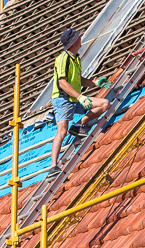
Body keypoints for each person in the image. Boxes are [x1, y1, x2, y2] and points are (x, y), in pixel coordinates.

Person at [47, 27, 111, 177]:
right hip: (62, 98)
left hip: (75, 97)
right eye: (78, 37)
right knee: (62, 131)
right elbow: (62, 82)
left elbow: (79, 80)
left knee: (104, 104)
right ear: (74, 41)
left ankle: (77, 125)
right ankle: (53, 166)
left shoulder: (76, 58)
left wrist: (95, 83)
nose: (80, 38)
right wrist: (80, 97)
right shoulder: (63, 58)